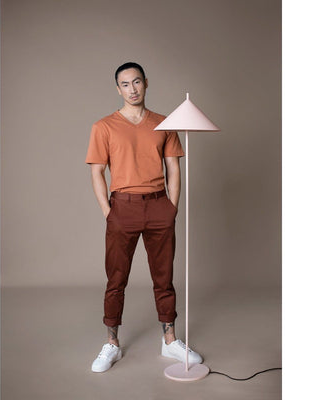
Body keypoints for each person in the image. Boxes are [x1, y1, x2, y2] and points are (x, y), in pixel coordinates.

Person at [85, 62, 202, 373]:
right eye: (125, 84)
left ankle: (169, 340)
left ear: (146, 83)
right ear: (118, 89)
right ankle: (112, 343)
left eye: (137, 82)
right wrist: (109, 212)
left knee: (164, 278)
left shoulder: (164, 124)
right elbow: (97, 172)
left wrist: (171, 207)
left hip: (158, 205)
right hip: (122, 207)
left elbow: (173, 168)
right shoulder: (104, 126)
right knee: (116, 279)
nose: (132, 89)